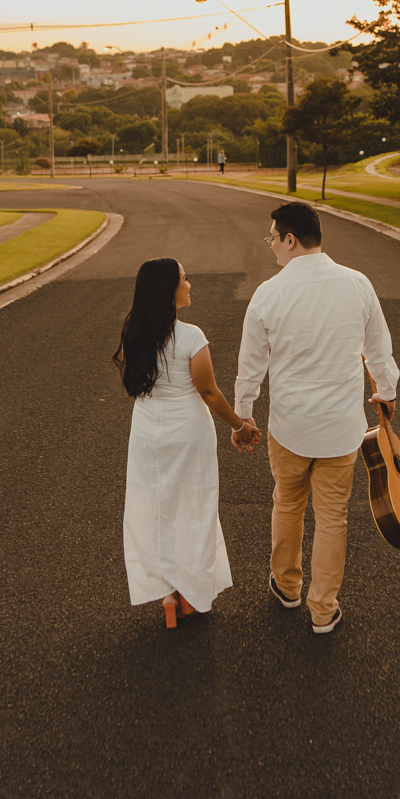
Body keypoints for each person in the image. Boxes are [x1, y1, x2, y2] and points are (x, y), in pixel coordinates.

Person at [233, 202, 398, 634]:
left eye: (273, 239)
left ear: (290, 239)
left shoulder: (269, 293)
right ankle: (323, 610)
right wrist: (386, 391)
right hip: (341, 429)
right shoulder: (358, 284)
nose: (271, 248)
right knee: (333, 517)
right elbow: (378, 349)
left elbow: (250, 366)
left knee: (287, 503)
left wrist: (243, 415)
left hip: (288, 427)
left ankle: (287, 588)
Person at [115, 257, 258, 629]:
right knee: (192, 507)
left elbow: (136, 390)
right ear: (169, 290)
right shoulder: (191, 336)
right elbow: (208, 391)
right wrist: (239, 425)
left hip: (147, 431)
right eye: (185, 279)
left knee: (155, 506)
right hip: (189, 433)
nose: (190, 285)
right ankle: (189, 594)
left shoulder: (133, 334)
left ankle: (165, 593)